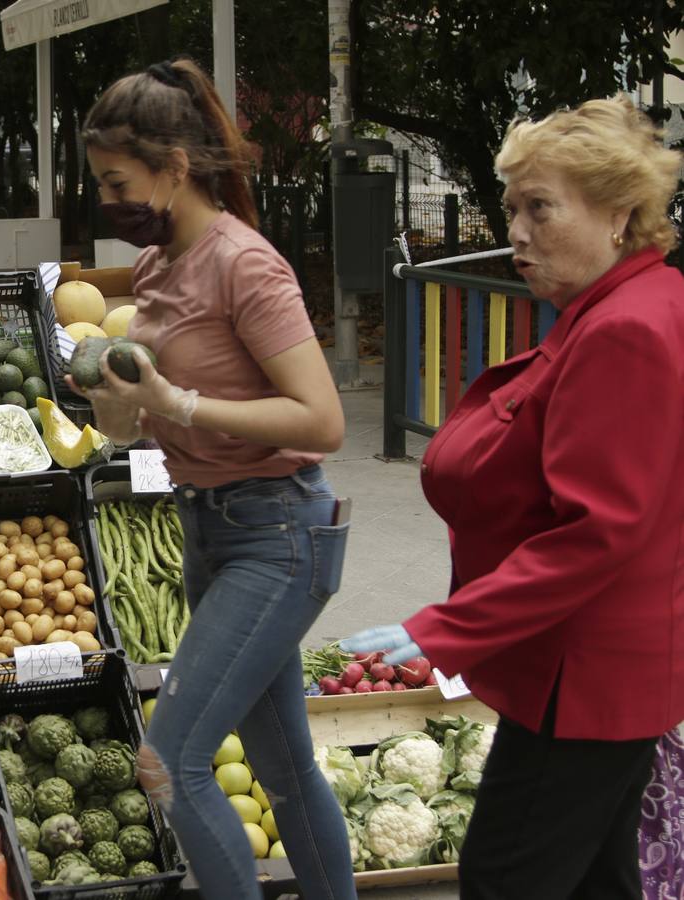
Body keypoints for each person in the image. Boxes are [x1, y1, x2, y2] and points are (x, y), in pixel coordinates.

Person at [343, 95, 684, 899]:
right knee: (597, 881)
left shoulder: (623, 327)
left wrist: (445, 629)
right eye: (510, 208)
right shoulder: (631, 303)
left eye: (540, 208)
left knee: (504, 876)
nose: (517, 232)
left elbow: (597, 532)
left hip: (585, 677)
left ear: (619, 215)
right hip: (602, 672)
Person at [75, 59, 355, 898]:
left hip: (278, 532)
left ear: (174, 167)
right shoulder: (160, 266)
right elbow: (138, 418)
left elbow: (322, 423)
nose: (107, 199)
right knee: (280, 764)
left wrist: (180, 402)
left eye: (117, 181)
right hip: (209, 530)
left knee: (168, 760)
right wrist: (118, 409)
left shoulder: (245, 264)